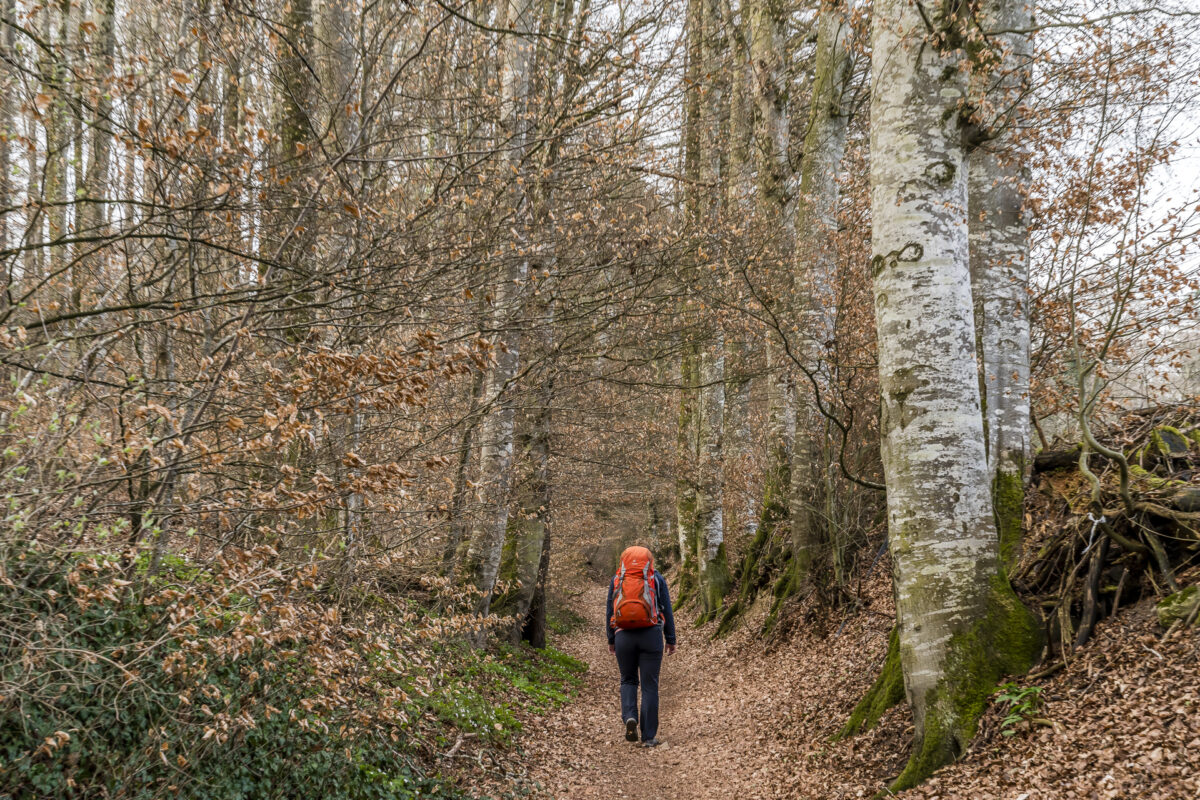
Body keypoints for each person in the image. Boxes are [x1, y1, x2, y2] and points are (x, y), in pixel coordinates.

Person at [605, 545, 676, 747]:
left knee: (627, 680)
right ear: (649, 562)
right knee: (649, 686)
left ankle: (630, 717)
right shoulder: (656, 578)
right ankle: (649, 737)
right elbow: (667, 609)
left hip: (623, 636)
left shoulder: (617, 579)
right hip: (651, 635)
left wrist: (611, 639)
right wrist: (671, 639)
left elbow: (610, 609)